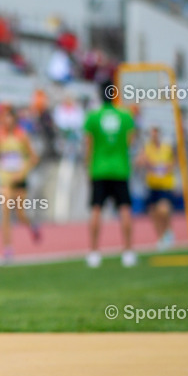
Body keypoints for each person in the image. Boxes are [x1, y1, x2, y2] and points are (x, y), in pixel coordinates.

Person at [84, 80, 136, 267]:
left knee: (96, 209)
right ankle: (128, 252)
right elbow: (130, 141)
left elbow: (88, 145)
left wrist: (88, 167)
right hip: (120, 168)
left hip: (99, 168)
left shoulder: (93, 116)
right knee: (124, 209)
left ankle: (94, 252)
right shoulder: (126, 115)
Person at [0, 104, 41, 261]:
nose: (6, 120)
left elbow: (34, 158)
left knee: (20, 214)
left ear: (14, 119)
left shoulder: (22, 136)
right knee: (5, 213)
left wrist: (22, 173)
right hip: (5, 180)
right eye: (4, 117)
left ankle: (31, 226)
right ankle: (8, 248)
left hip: (20, 180)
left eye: (9, 116)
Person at [136, 126, 177, 249]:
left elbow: (171, 164)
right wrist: (144, 161)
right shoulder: (147, 148)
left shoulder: (166, 148)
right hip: (152, 185)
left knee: (163, 210)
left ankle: (168, 231)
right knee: (154, 214)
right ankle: (160, 238)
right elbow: (139, 162)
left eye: (156, 134)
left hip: (165, 184)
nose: (154, 137)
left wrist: (157, 166)